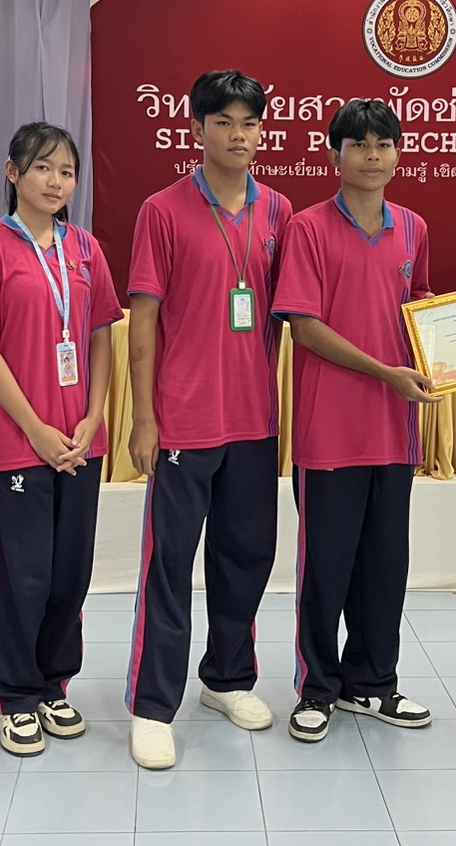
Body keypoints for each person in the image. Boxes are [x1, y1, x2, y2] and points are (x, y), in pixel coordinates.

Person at [124, 69, 293, 769]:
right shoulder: (161, 210)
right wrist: (143, 418)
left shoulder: (278, 209)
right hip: (183, 420)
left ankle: (226, 678)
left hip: (253, 418)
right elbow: (142, 321)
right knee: (170, 566)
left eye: (249, 123)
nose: (238, 136)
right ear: (196, 129)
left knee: (245, 555)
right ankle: (152, 705)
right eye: (223, 122)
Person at [0, 122, 122, 757]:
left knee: (69, 574)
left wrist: (93, 416)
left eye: (67, 171)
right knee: (22, 576)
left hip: (79, 442)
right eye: (43, 168)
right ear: (13, 173)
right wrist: (35, 428)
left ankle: (54, 684)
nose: (56, 182)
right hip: (18, 442)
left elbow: (101, 334)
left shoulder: (85, 248)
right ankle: (17, 693)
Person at [272, 98, 439, 743]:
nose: (373, 156)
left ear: (398, 153)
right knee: (326, 568)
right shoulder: (308, 228)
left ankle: (373, 682)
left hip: (394, 429)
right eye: (359, 145)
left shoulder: (413, 227)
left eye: (384, 144)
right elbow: (304, 325)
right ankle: (317, 688)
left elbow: (418, 303)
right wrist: (383, 371)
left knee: (384, 568)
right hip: (330, 432)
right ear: (334, 154)